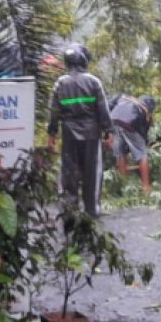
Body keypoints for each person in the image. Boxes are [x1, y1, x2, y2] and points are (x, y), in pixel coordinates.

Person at [46, 43, 111, 217]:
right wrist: (108, 132)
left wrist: (51, 135)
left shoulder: (60, 83)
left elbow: (54, 112)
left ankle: (70, 210)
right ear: (84, 60)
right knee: (92, 172)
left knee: (69, 172)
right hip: (91, 134)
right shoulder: (93, 82)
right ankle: (92, 210)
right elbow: (102, 110)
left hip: (69, 133)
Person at [109, 94, 157, 195]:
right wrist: (143, 145)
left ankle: (123, 184)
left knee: (121, 152)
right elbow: (142, 134)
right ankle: (146, 187)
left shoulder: (124, 98)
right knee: (142, 154)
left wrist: (107, 134)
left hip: (113, 122)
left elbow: (109, 105)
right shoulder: (146, 112)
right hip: (129, 124)